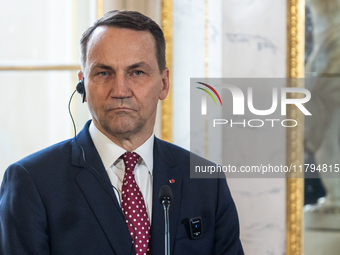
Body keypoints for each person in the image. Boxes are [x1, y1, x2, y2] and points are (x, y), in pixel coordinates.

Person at [0, 10, 243, 255]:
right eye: (104, 73)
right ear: (83, 85)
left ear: (164, 83)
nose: (120, 90)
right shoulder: (31, 182)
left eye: (137, 72)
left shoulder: (207, 182)